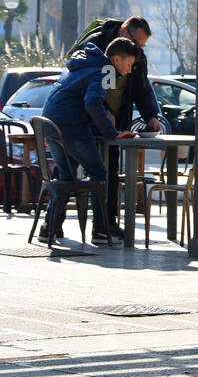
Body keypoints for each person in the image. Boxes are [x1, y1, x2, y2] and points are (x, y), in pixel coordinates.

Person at [40, 37, 140, 244]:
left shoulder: (82, 63)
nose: (129, 70)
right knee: (99, 174)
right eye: (128, 64)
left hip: (50, 124)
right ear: (116, 59)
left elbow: (77, 94)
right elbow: (92, 102)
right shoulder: (106, 70)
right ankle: (101, 230)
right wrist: (112, 134)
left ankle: (49, 227)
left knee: (66, 176)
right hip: (71, 126)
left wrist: (104, 112)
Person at [70, 16, 161, 229]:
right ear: (123, 30)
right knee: (70, 170)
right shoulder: (95, 46)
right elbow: (88, 88)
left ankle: (106, 225)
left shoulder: (136, 55)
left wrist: (150, 115)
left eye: (141, 45)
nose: (137, 49)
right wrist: (105, 110)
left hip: (114, 121)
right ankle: (55, 224)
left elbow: (141, 86)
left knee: (109, 172)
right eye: (136, 43)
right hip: (84, 120)